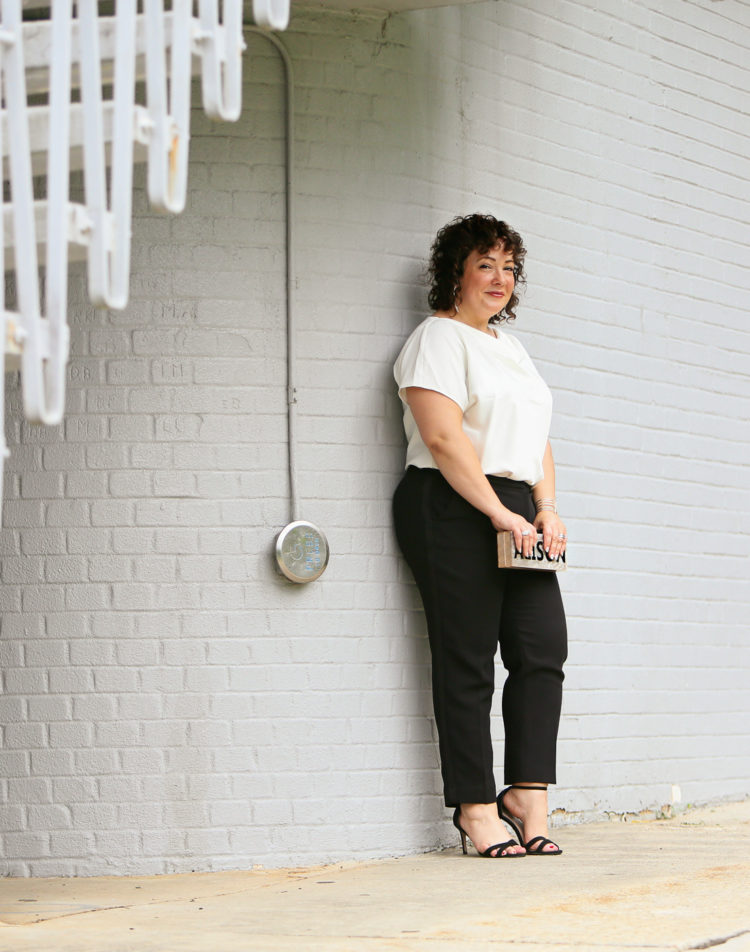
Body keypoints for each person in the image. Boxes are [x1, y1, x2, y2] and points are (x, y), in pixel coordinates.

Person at [392, 214, 568, 858]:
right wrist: (498, 511)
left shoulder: (510, 348)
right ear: (456, 272)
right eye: (486, 264)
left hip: (517, 506)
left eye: (509, 267)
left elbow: (537, 438)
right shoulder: (437, 339)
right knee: (467, 658)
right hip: (452, 502)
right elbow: (442, 438)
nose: (500, 278)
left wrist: (544, 506)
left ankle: (527, 792)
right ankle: (474, 806)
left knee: (541, 648)